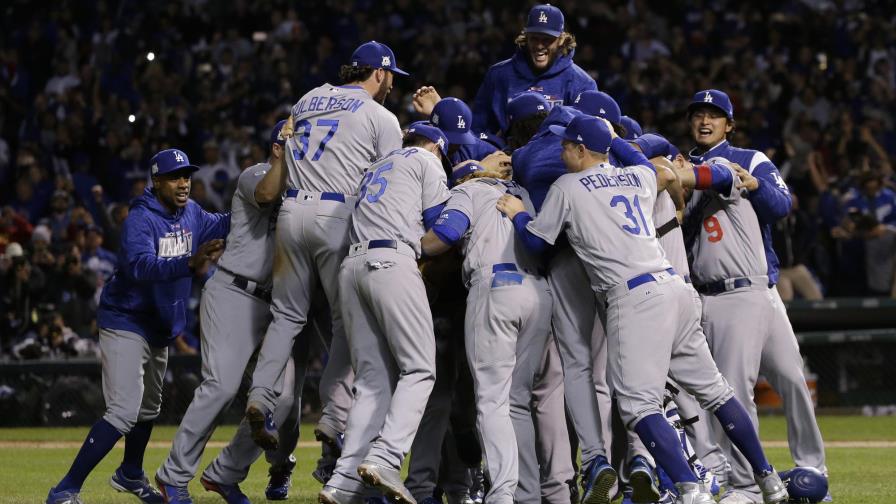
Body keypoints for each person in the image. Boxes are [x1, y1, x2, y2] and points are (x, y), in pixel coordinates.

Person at [496, 115, 789, 504]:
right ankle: (769, 480)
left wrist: (517, 212)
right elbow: (629, 156)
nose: (561, 151)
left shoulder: (566, 186)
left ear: (581, 150)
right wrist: (614, 137)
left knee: (637, 405)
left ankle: (690, 489)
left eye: (567, 145)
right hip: (674, 289)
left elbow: (537, 245)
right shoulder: (640, 175)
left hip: (633, 298)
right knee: (715, 391)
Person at [242, 42, 406, 478]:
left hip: (292, 213)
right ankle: (334, 421)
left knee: (285, 318)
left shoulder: (308, 98)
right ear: (378, 73)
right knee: (347, 323)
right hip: (338, 214)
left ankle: (259, 396)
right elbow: (391, 181)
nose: (392, 85)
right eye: (391, 77)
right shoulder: (380, 116)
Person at [46, 148, 229, 504]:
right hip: (126, 318)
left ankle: (130, 473)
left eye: (187, 176)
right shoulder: (140, 220)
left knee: (148, 409)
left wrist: (265, 194)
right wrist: (189, 264)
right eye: (175, 177)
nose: (183, 184)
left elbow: (224, 222)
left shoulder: (192, 212)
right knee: (124, 410)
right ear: (157, 181)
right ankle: (65, 489)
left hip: (159, 325)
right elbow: (140, 268)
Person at [685, 89, 828, 502]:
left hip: (763, 290)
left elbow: (782, 205)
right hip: (719, 295)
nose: (705, 120)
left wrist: (751, 184)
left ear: (730, 124)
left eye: (714, 114)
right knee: (735, 391)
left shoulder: (751, 158)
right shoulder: (682, 169)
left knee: (793, 381)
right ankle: (746, 484)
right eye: (698, 114)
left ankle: (813, 469)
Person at [154, 120, 304, 503]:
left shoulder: (308, 190)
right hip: (235, 292)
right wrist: (283, 153)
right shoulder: (256, 173)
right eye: (295, 145)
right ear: (279, 147)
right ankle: (172, 476)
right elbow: (269, 192)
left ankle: (225, 474)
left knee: (283, 399)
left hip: (276, 304)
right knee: (220, 387)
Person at [320, 123, 451, 504]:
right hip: (391, 261)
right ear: (436, 147)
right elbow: (440, 224)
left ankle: (342, 484)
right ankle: (386, 457)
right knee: (421, 368)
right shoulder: (427, 159)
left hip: (353, 267)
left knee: (373, 383)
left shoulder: (375, 166)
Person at [420, 162, 552, 503]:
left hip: (495, 286)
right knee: (517, 400)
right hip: (537, 292)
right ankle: (528, 492)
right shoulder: (520, 192)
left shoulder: (467, 190)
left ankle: (503, 493)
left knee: (492, 401)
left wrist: (411, 247)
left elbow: (446, 236)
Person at [472, 3, 597, 135]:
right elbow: (479, 129)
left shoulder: (582, 82)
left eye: (547, 40)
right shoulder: (499, 75)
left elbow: (587, 137)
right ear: (526, 38)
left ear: (561, 40)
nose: (539, 46)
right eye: (534, 38)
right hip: (507, 153)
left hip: (556, 155)